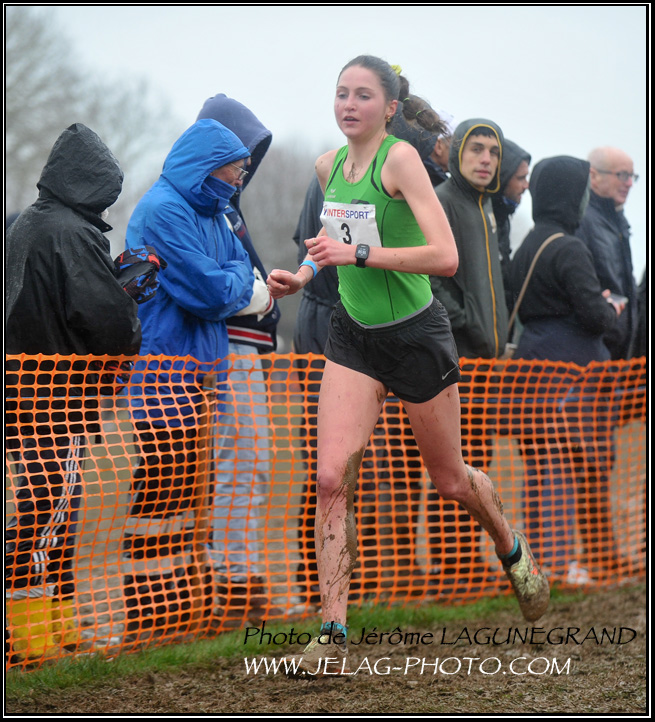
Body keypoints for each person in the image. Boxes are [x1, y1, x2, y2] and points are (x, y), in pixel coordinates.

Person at [267, 55, 549, 675]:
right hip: (353, 336)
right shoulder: (328, 166)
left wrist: (360, 255)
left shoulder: (400, 161)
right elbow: (332, 242)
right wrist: (305, 275)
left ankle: (510, 545)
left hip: (417, 337)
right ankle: (332, 633)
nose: (348, 105)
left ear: (389, 107)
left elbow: (444, 256)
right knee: (331, 479)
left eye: (363, 95)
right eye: (341, 93)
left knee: (450, 481)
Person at [123, 118, 273, 639]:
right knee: (160, 495)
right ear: (210, 165)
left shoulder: (213, 212)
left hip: (201, 375)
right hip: (163, 371)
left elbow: (237, 270)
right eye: (235, 168)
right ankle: (149, 616)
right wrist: (241, 286)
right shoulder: (164, 210)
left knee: (189, 497)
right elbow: (211, 292)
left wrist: (235, 282)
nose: (240, 177)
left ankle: (180, 609)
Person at [5, 123, 142, 661]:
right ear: (92, 184)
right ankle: (29, 639)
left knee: (50, 506)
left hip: (22, 391)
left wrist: (112, 283)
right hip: (57, 398)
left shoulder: (28, 223)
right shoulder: (74, 233)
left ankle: (58, 626)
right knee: (47, 512)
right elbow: (106, 321)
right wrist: (129, 298)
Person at [509, 155, 624, 582]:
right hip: (569, 373)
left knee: (539, 467)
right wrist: (612, 309)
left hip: (532, 367)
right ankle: (556, 565)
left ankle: (540, 561)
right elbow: (594, 316)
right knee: (562, 466)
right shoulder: (569, 247)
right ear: (571, 195)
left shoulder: (528, 245)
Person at [196, 95, 280, 615]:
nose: (245, 167)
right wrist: (264, 295)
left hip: (245, 350)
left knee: (251, 464)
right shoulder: (209, 210)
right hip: (229, 350)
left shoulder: (230, 208)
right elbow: (224, 286)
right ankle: (234, 580)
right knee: (242, 464)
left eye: (250, 157)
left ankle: (237, 574)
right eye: (238, 156)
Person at [429, 118, 508, 588]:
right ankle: (451, 565)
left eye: (493, 152)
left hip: (486, 361)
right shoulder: (443, 201)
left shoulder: (486, 206)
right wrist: (469, 322)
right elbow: (430, 278)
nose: (486, 159)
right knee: (454, 466)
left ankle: (467, 561)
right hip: (454, 357)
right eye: (476, 148)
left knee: (479, 461)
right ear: (457, 151)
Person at [576, 147, 639, 360]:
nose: (629, 183)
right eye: (622, 175)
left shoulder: (619, 223)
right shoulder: (583, 221)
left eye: (632, 176)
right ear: (593, 176)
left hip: (618, 353)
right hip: (594, 351)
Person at [491, 139, 531, 315]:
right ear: (502, 177)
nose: (526, 186)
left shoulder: (503, 217)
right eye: (521, 178)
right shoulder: (482, 216)